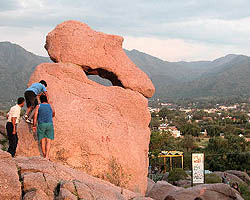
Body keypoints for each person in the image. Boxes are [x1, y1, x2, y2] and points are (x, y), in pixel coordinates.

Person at [33, 95, 55, 159]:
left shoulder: (38, 106)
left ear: (41, 100)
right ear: (46, 100)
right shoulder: (50, 105)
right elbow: (53, 113)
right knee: (48, 140)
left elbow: (35, 116)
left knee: (42, 141)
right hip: (49, 124)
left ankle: (44, 155)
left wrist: (34, 125)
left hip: (41, 124)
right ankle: (47, 156)